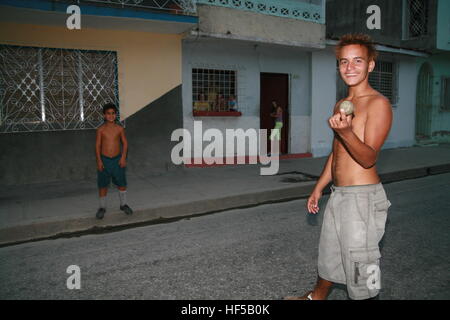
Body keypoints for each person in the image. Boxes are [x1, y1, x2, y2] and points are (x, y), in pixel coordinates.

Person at [285, 34, 393, 300]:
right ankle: (315, 298)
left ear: (370, 65)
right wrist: (318, 188)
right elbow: (337, 154)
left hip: (363, 198)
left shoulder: (378, 104)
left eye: (358, 61)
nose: (349, 67)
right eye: (343, 62)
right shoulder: (342, 105)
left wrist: (345, 132)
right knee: (330, 255)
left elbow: (368, 157)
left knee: (361, 266)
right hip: (340, 194)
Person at [95, 103, 133, 219]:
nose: (111, 115)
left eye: (113, 113)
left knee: (122, 183)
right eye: (108, 113)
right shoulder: (101, 130)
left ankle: (123, 204)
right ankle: (102, 207)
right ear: (104, 115)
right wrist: (99, 161)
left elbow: (125, 144)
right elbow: (97, 146)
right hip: (105, 160)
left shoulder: (119, 129)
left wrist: (123, 157)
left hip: (117, 160)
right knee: (103, 185)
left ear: (115, 115)